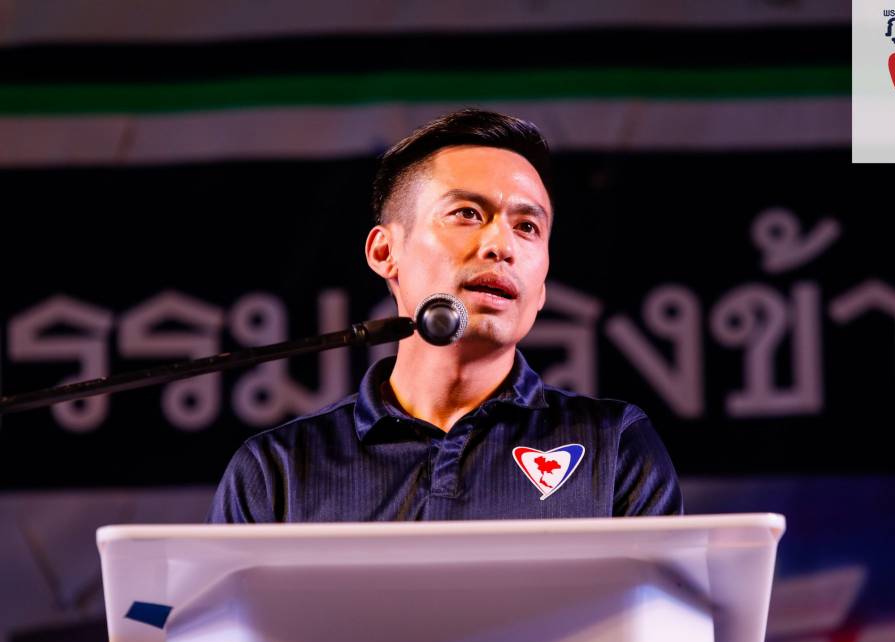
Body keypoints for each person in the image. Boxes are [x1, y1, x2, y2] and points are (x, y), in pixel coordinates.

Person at [208, 109, 682, 522]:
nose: (502, 246)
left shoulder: (615, 447)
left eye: (527, 227)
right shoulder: (277, 470)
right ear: (385, 251)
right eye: (467, 213)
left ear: (541, 288)